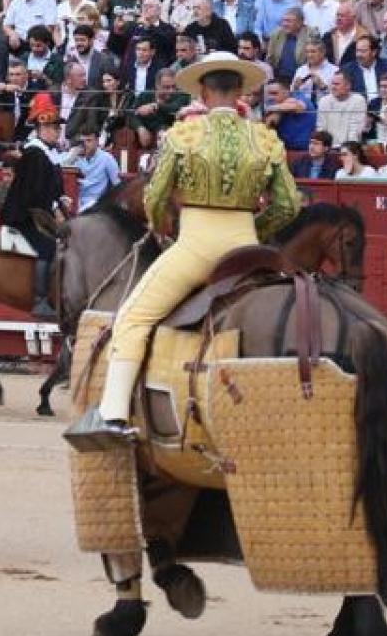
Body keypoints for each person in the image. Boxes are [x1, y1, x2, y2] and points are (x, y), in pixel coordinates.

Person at [68, 51, 301, 450]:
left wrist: (164, 229)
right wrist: (254, 234)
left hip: (195, 245)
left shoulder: (184, 135)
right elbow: (287, 205)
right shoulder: (265, 138)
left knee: (132, 318)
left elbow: (156, 196)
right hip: (246, 245)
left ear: (205, 93)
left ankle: (112, 414)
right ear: (241, 91)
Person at [0, 91, 69, 318]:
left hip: (38, 211)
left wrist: (60, 198)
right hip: (25, 215)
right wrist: (54, 206)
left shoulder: (45, 154)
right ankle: (39, 299)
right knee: (47, 245)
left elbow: (49, 188)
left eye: (57, 128)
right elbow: (35, 193)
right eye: (51, 128)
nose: (55, 131)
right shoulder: (35, 154)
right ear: (40, 129)